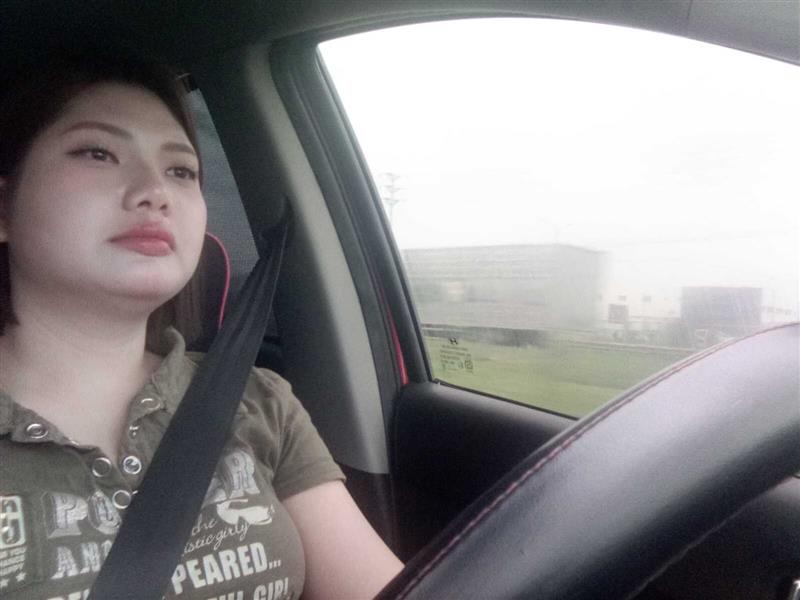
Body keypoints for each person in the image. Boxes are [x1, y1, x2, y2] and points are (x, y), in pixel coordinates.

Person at [0, 53, 403, 600]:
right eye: (98, 153)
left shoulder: (258, 401)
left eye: (181, 171)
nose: (155, 191)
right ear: (4, 208)